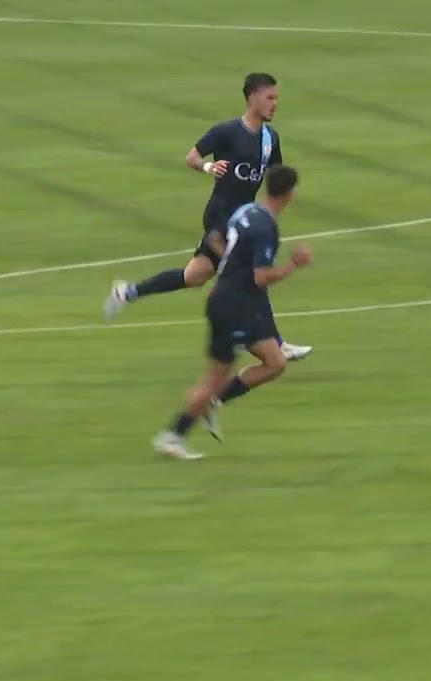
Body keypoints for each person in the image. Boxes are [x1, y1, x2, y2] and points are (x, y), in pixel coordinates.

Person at [103, 72, 312, 361]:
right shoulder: (227, 131)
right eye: (270, 97)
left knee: (194, 276)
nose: (275, 103)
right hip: (220, 217)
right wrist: (207, 167)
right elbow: (191, 156)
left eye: (276, 98)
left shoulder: (270, 139)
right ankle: (273, 342)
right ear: (253, 98)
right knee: (250, 275)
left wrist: (270, 210)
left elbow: (276, 179)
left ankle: (127, 292)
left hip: (243, 220)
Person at [154, 165, 311, 460]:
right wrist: (293, 265)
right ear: (289, 193)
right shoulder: (266, 228)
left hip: (236, 302)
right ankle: (173, 436)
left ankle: (213, 402)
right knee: (214, 377)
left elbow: (215, 237)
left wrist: (233, 262)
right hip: (233, 306)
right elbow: (261, 277)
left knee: (275, 362)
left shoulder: (246, 211)